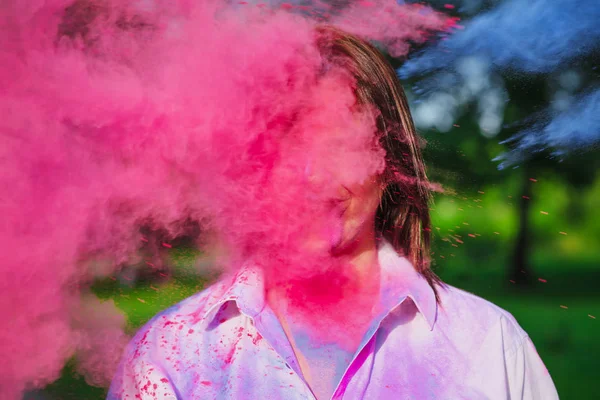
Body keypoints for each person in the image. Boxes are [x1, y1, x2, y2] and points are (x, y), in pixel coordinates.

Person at [108, 26, 559, 400]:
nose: (312, 177)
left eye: (340, 142)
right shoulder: (170, 355)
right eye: (288, 144)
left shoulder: (488, 347)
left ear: (391, 162)